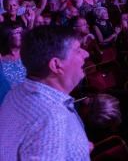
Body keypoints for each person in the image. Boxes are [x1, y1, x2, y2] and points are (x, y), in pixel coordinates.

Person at [0, 26, 91, 160]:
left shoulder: (15, 93)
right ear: (56, 65)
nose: (86, 54)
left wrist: (76, 146)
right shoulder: (51, 118)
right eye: (77, 50)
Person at [0, 23, 26, 103]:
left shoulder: (28, 54)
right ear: (8, 36)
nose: (21, 35)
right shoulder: (1, 58)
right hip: (8, 103)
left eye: (22, 32)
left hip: (28, 101)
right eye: (17, 33)